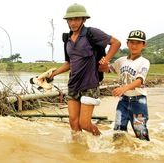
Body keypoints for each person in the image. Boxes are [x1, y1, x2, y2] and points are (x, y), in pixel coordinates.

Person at [49, 3, 121, 140]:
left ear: (84, 20)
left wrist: (106, 60)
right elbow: (69, 63)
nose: (73, 23)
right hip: (73, 85)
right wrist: (54, 73)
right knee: (73, 122)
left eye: (76, 19)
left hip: (89, 84)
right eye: (70, 20)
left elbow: (116, 43)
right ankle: (78, 151)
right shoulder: (67, 39)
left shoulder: (91, 33)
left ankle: (101, 140)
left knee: (85, 124)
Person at [100, 30, 150, 141]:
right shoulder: (121, 61)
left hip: (138, 101)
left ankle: (143, 155)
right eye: (132, 42)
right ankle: (119, 155)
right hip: (123, 100)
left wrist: (124, 88)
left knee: (140, 131)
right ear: (127, 43)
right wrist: (103, 63)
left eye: (138, 43)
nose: (134, 45)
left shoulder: (144, 62)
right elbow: (109, 69)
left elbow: (139, 80)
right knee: (118, 130)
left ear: (144, 45)